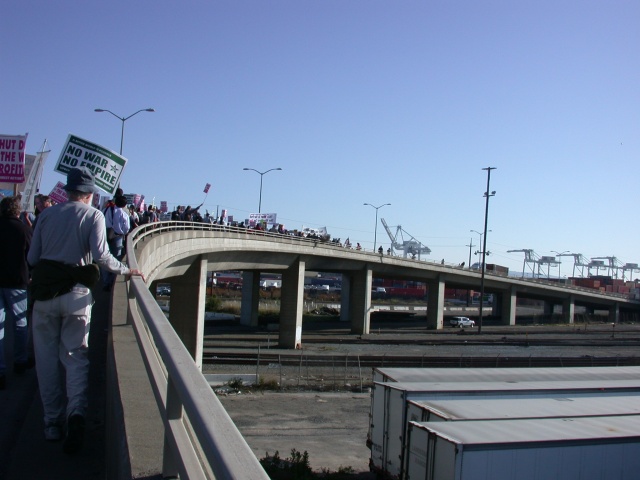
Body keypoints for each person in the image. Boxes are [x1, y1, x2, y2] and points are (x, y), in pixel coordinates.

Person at [28, 167, 144, 453]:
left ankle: (52, 423)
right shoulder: (92, 216)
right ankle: (76, 413)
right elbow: (102, 256)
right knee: (75, 357)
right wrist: (126, 270)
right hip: (77, 296)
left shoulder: (46, 215)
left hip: (45, 297)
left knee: (46, 361)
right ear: (90, 195)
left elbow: (33, 257)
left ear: (67, 191)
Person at [0, 196, 33, 390]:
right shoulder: (24, 229)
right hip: (18, 282)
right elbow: (32, 255)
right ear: (17, 211)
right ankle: (20, 361)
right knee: (20, 323)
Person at [102, 195, 131, 290]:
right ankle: (113, 280)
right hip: (117, 236)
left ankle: (106, 281)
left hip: (105, 234)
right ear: (124, 205)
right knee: (116, 258)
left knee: (104, 257)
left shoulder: (106, 210)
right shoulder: (124, 214)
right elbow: (126, 228)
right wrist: (122, 232)